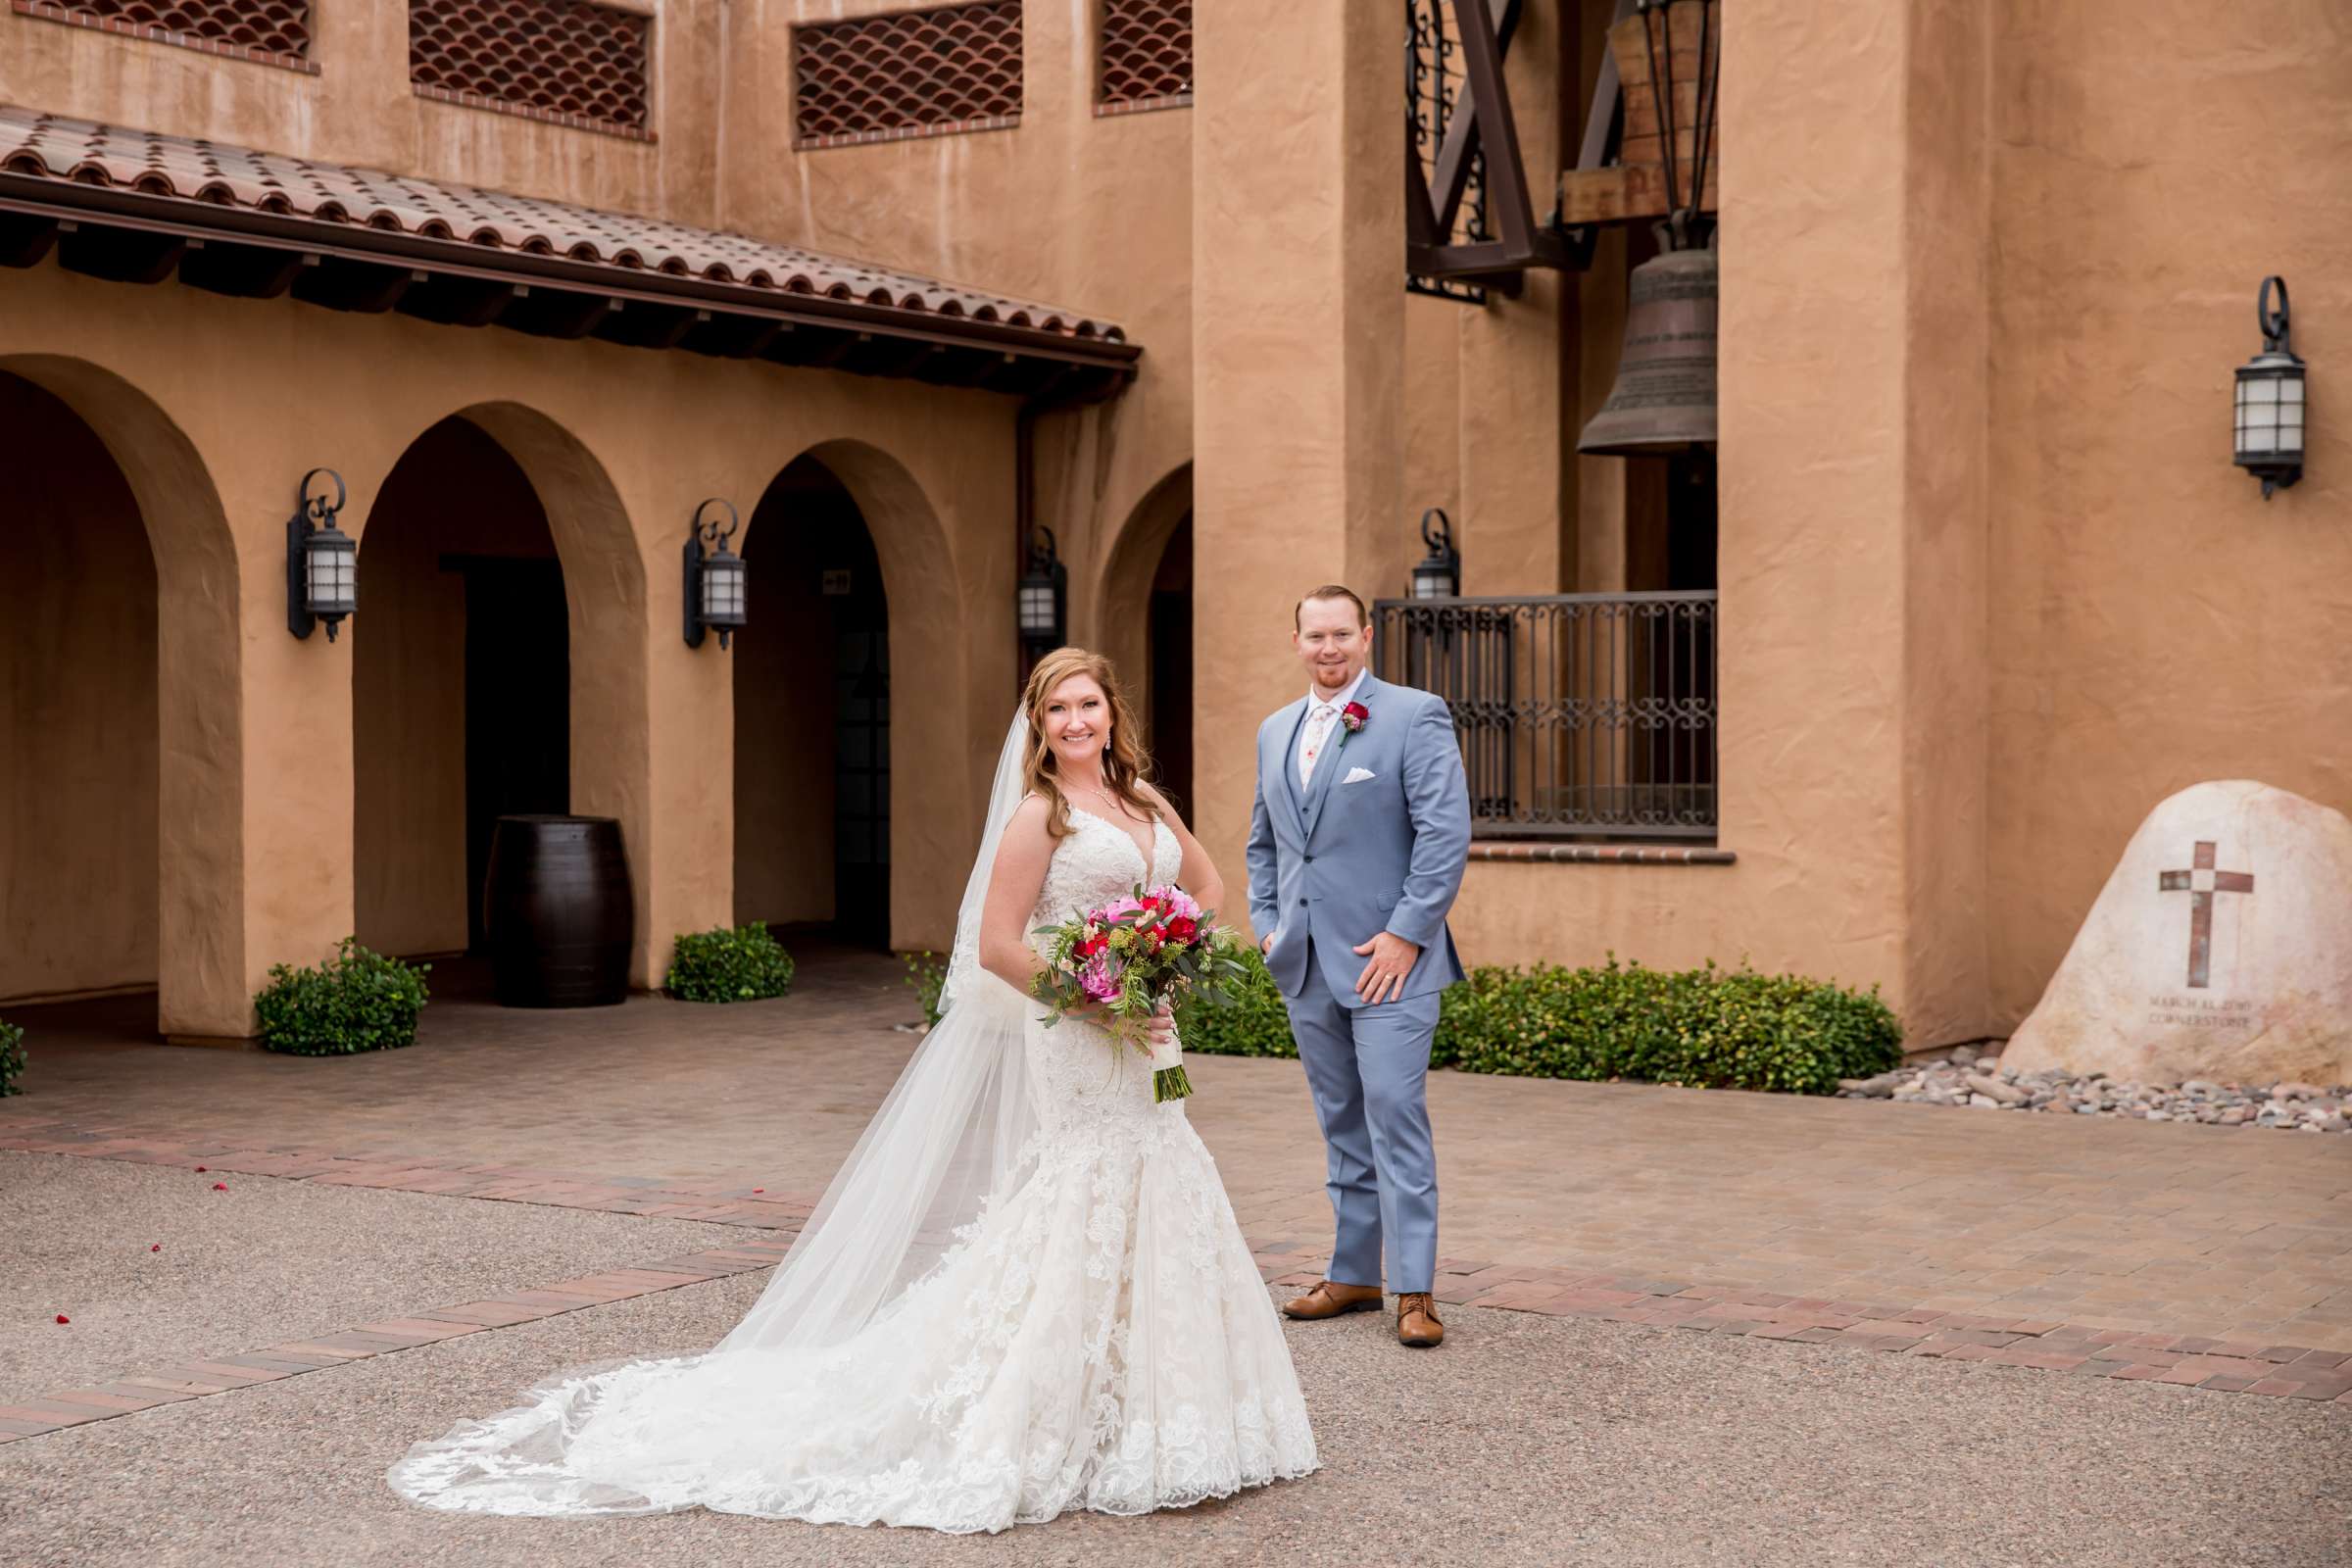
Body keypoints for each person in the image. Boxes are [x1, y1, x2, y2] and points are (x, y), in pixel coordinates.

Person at [388, 647, 1316, 1532]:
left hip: (1143, 1027)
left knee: (1160, 1178)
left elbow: (1204, 887)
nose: (1076, 720)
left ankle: (1145, 1401)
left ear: (1114, 712)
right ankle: (1047, 1403)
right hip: (1078, 1036)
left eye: (1089, 703)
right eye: (1058, 708)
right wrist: (1097, 997)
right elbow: (998, 946)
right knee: (1088, 1190)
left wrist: (1159, 959)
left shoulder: (1136, 794)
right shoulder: (1040, 818)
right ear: (1038, 726)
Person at [1246, 586, 1471, 1348]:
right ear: (1298, 641)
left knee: (1394, 1116)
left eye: (1342, 633)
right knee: (1340, 1121)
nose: (1329, 648)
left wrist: (1408, 934)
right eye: (1315, 636)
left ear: (1367, 636)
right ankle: (1352, 1273)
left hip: (1391, 966)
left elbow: (1444, 834)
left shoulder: (1416, 715)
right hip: (1305, 964)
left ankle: (1414, 1289)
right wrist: (1270, 926)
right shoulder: (1275, 729)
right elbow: (1266, 845)